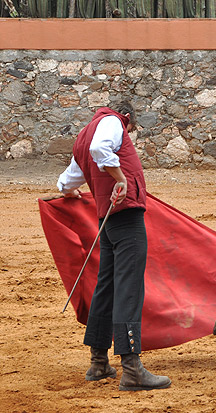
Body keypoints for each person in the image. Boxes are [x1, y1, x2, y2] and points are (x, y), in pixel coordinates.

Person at [57, 99, 171, 391]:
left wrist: (70, 193)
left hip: (105, 222)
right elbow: (100, 151)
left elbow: (67, 181)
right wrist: (120, 178)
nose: (128, 134)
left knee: (105, 285)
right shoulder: (112, 124)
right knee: (128, 288)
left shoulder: (85, 134)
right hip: (126, 219)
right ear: (128, 118)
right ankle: (132, 368)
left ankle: (98, 362)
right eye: (130, 129)